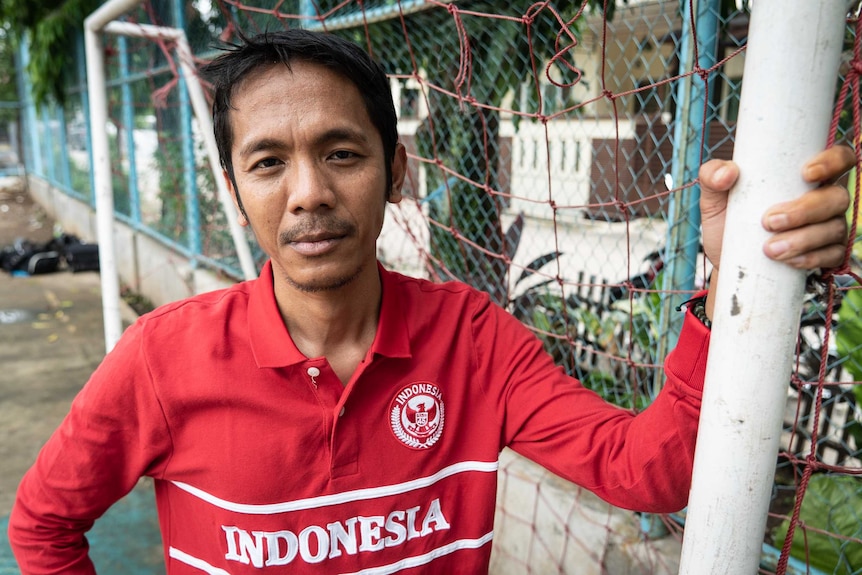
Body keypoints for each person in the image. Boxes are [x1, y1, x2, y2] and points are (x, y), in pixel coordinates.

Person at [8, 29, 854, 574]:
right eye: (268, 163)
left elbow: (648, 470)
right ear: (233, 192)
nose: (308, 193)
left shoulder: (471, 338)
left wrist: (733, 275)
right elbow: (43, 526)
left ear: (396, 170)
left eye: (341, 152)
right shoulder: (162, 358)